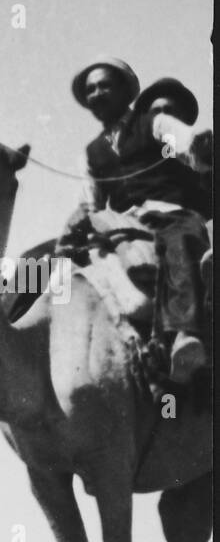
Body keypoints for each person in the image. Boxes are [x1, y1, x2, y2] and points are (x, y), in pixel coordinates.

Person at [60, 57, 213, 383]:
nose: (97, 94)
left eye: (104, 86)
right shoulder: (91, 153)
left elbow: (186, 145)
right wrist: (76, 225)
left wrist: (198, 147)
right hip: (118, 224)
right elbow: (89, 201)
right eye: (90, 90)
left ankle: (184, 334)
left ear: (125, 91)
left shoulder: (155, 123)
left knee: (179, 240)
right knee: (55, 264)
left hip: (169, 214)